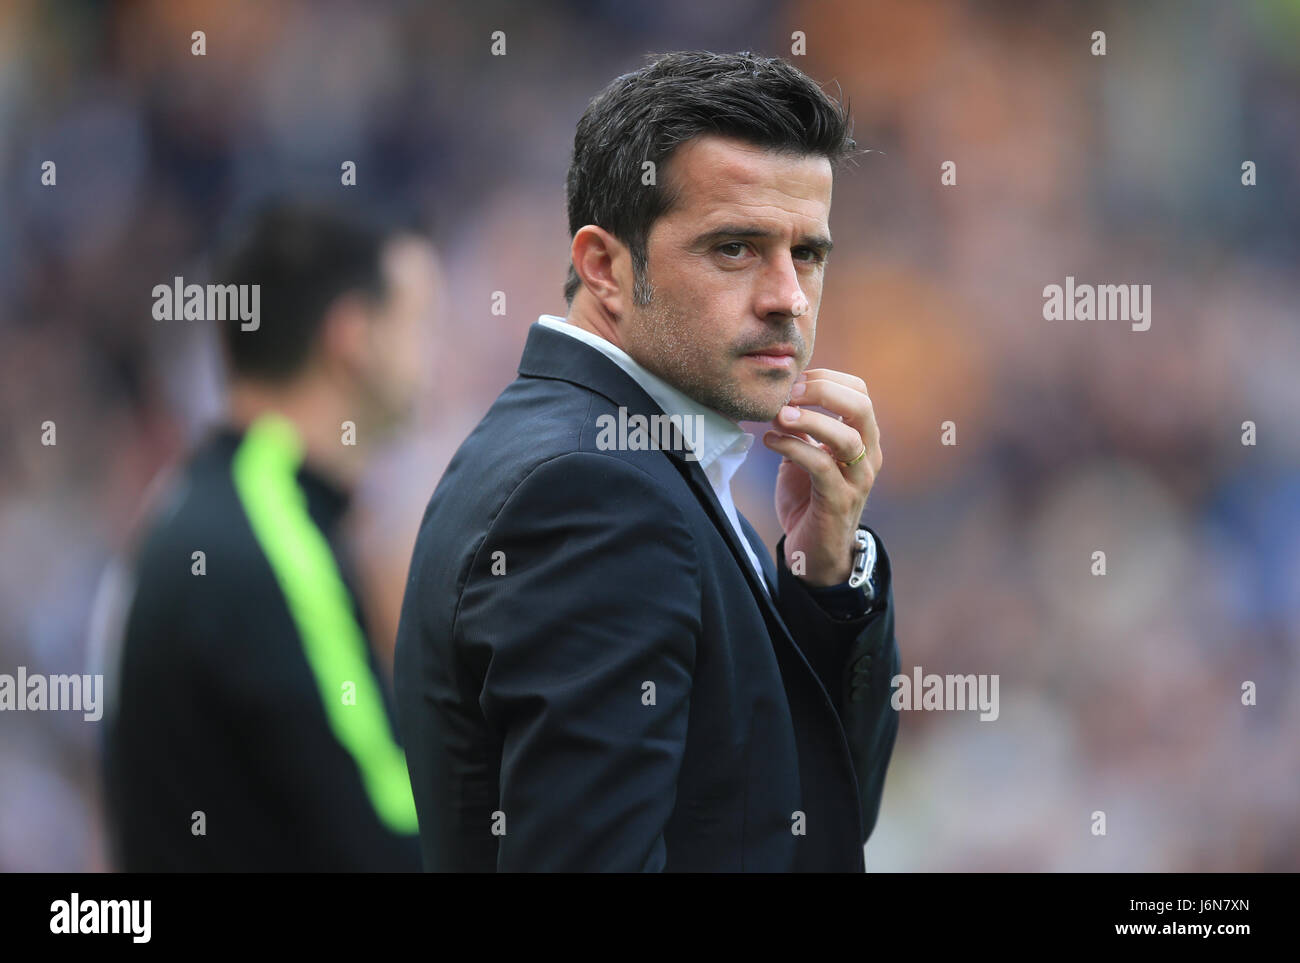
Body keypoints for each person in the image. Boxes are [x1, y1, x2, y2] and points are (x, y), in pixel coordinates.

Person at [395, 50, 900, 872]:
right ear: (604, 266)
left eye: (807, 253)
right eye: (736, 248)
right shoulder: (594, 492)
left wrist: (823, 583)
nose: (789, 296)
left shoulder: (631, 457)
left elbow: (807, 816)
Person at [100, 201, 439, 870]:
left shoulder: (193, 500)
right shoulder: (274, 529)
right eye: (419, 323)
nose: (432, 354)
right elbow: (395, 822)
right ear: (353, 337)